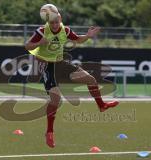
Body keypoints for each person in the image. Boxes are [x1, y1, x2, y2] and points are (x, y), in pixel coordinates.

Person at [25, 4, 119, 148]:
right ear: (48, 22)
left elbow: (77, 39)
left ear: (60, 19)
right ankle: (49, 132)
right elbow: (28, 46)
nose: (55, 25)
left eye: (57, 22)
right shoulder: (42, 31)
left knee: (91, 79)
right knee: (55, 99)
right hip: (47, 66)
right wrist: (40, 42)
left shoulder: (65, 30)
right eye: (52, 23)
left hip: (61, 64)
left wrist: (87, 36)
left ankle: (102, 105)